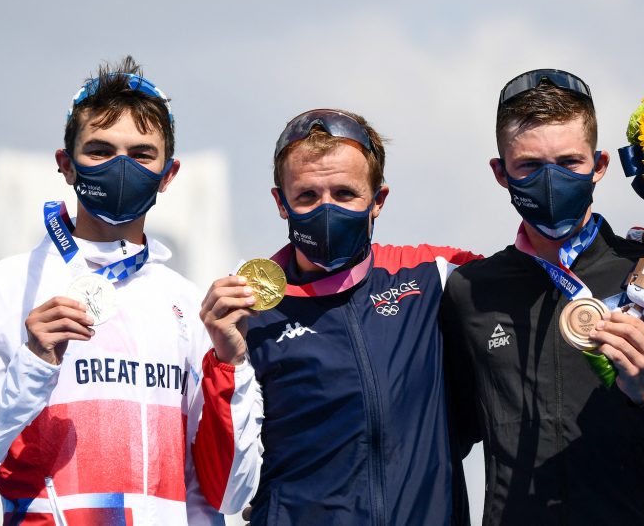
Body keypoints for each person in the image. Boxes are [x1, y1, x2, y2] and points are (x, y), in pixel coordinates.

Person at [0, 58, 263, 525]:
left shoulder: (192, 304)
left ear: (169, 174)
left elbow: (231, 496)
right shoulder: (4, 286)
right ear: (65, 166)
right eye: (100, 151)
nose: (122, 167)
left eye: (142, 155)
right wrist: (31, 366)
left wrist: (231, 366)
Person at [441, 69, 644, 525]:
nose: (551, 181)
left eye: (569, 162)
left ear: (599, 166)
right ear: (501, 172)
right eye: (529, 166)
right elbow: (439, 441)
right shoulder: (471, 292)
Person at [201, 109, 480, 525]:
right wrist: (228, 360)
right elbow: (227, 494)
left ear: (378, 200)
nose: (326, 209)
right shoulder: (247, 315)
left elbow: (529, 277)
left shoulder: (431, 276)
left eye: (345, 194)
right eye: (308, 196)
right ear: (281, 203)